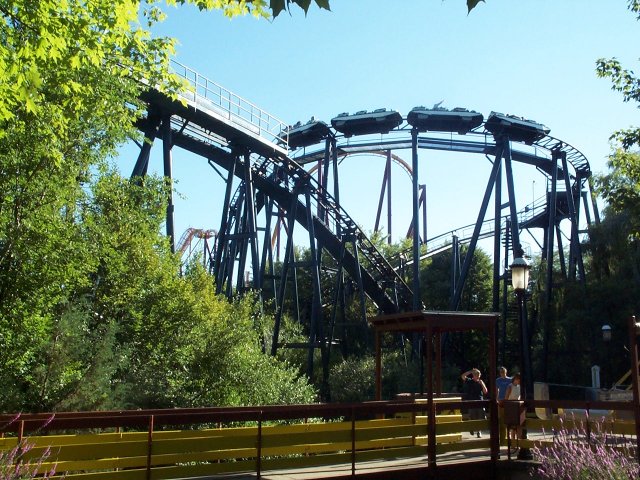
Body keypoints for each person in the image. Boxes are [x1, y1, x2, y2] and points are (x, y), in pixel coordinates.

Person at [461, 368, 488, 438]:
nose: (477, 376)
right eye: (476, 375)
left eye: (478, 375)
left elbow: (485, 391)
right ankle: (471, 428)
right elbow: (463, 376)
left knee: (480, 417)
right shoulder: (469, 381)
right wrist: (470, 371)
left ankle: (479, 432)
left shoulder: (480, 382)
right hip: (471, 401)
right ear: (473, 375)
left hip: (480, 401)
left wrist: (482, 384)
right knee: (472, 416)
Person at [504, 373, 522, 453]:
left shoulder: (519, 387)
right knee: (512, 427)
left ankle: (518, 443)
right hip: (510, 406)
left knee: (518, 425)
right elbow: (506, 397)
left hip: (517, 406)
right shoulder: (510, 386)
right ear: (516, 379)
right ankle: (513, 444)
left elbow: (519, 396)